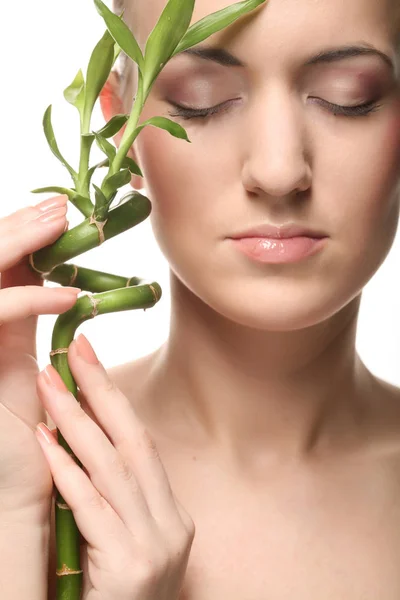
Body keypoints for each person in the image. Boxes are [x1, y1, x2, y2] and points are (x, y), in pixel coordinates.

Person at [1, 0, 400, 598]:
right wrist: (13, 526)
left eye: (348, 95)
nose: (278, 169)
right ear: (123, 131)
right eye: (203, 98)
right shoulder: (22, 469)